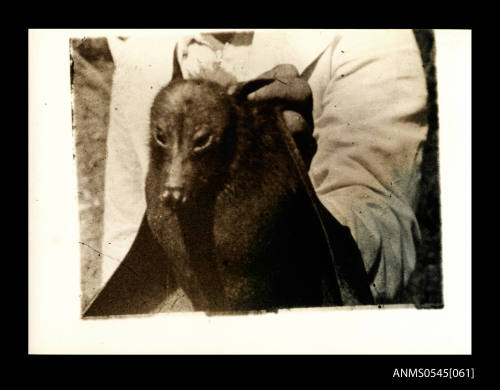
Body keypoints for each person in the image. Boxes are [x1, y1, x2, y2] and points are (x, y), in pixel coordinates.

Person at [100, 29, 428, 307]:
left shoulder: (373, 38)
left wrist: (299, 216)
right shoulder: (146, 46)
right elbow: (125, 231)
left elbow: (387, 230)